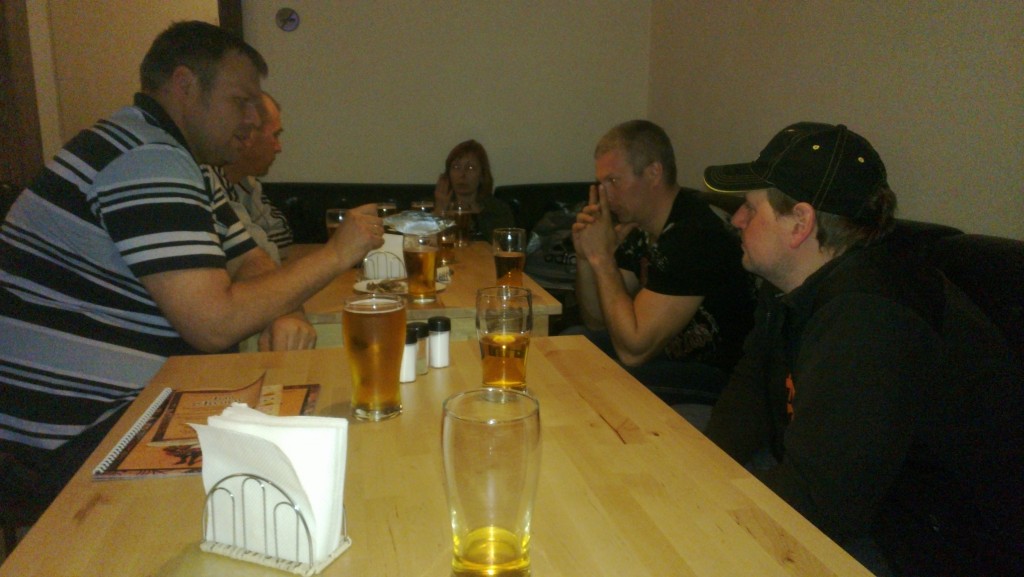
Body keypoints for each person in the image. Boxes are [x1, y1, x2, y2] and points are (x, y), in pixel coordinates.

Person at [0, 21, 384, 518]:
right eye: (240, 101)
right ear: (184, 85)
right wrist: (335, 254)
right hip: (69, 438)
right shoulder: (146, 157)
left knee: (308, 451)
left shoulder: (183, 161)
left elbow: (251, 260)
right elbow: (212, 323)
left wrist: (284, 311)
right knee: (305, 481)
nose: (252, 120)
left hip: (127, 408)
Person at [702, 122, 1024, 576]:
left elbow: (820, 506)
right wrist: (700, 472)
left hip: (923, 542)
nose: (736, 219)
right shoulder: (789, 283)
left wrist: (703, 519)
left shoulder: (870, 315)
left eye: (750, 208)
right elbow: (750, 391)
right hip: (854, 504)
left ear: (800, 223)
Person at [569, 120, 755, 405]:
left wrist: (602, 258)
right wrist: (586, 256)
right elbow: (596, 321)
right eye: (601, 183)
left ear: (654, 173)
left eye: (613, 181)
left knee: (602, 378)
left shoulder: (693, 235)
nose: (604, 195)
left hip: (717, 376)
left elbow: (634, 350)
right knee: (573, 341)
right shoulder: (639, 226)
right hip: (666, 356)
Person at [203, 91, 293, 263]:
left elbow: (283, 238)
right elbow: (257, 257)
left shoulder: (246, 182)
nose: (278, 147)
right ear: (248, 134)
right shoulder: (209, 180)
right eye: (275, 135)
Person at [432, 139, 514, 239]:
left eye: (470, 168)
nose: (462, 174)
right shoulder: (434, 206)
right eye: (456, 167)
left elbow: (503, 244)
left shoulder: (497, 210)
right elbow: (426, 242)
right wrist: (440, 209)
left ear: (482, 175)